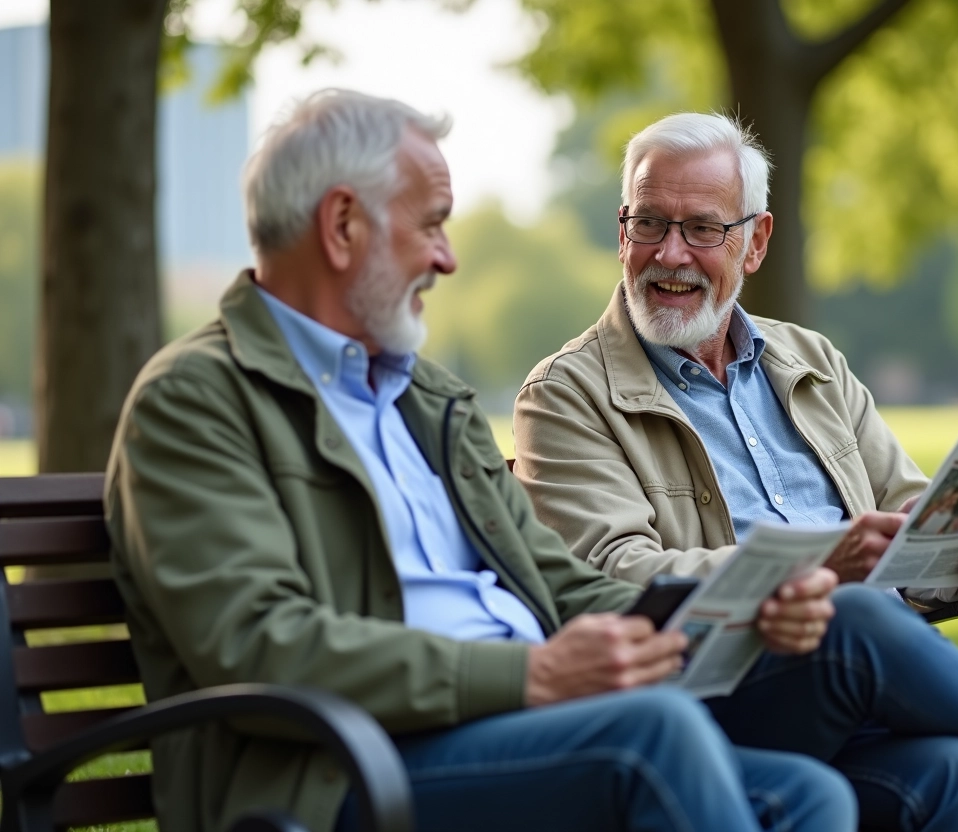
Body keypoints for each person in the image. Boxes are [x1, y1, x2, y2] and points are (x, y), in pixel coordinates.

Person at [105, 89, 864, 832]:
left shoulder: (427, 398)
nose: (448, 256)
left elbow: (558, 583)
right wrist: (528, 676)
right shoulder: (197, 399)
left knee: (808, 795)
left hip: (518, 726)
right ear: (342, 226)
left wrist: (730, 615)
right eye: (431, 224)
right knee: (654, 739)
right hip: (333, 771)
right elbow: (257, 642)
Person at [512, 111, 958, 832]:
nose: (671, 254)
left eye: (702, 229)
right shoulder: (566, 394)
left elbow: (916, 522)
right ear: (621, 230)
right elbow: (606, 580)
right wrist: (820, 567)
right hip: (702, 704)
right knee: (856, 610)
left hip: (861, 696)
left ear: (755, 242)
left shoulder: (812, 362)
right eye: (650, 223)